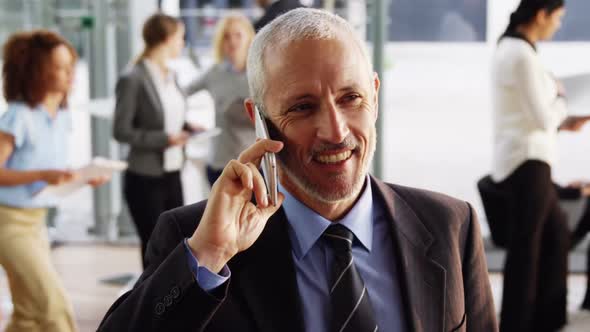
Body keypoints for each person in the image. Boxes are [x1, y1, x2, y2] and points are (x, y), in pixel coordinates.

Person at [99, 8, 497, 331]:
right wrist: (209, 253)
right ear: (259, 119)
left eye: (351, 97)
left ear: (374, 96)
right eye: (302, 108)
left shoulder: (450, 224)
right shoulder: (196, 240)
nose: (336, 131)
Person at [491, 1, 590, 331]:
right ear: (541, 14)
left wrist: (562, 121)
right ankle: (518, 324)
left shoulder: (516, 51)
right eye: (558, 17)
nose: (559, 25)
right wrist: (562, 98)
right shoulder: (520, 54)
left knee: (556, 236)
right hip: (528, 162)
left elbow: (535, 117)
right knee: (527, 248)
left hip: (529, 159)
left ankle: (547, 320)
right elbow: (543, 116)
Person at [0, 30, 108, 332]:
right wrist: (42, 175)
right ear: (37, 71)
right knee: (54, 307)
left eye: (70, 65)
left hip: (36, 223)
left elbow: (50, 173)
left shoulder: (61, 117)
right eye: (60, 67)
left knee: (28, 315)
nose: (70, 74)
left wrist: (83, 178)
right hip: (8, 225)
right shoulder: (18, 117)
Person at [113, 13, 199, 269]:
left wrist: (187, 127)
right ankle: (149, 305)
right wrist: (165, 139)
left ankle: (173, 303)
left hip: (172, 173)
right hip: (145, 178)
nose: (182, 43)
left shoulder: (170, 75)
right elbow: (121, 131)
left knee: (177, 243)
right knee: (153, 247)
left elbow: (168, 116)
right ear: (167, 39)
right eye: (180, 38)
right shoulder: (133, 78)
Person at [184, 13, 256, 186]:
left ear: (249, 38)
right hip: (219, 165)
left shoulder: (259, 74)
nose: (232, 41)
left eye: (238, 35)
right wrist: (185, 124)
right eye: (226, 36)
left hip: (252, 166)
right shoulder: (214, 73)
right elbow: (180, 94)